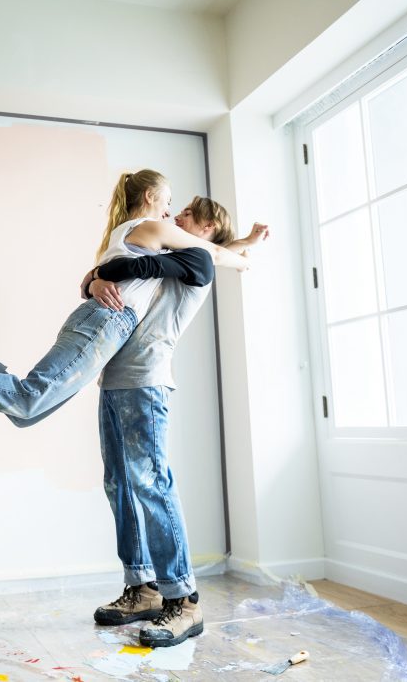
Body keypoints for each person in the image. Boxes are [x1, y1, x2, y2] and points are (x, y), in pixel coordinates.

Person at [0, 170, 251, 418]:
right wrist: (248, 253)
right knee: (29, 400)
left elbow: (208, 255)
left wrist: (92, 279)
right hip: (108, 321)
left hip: (104, 322)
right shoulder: (149, 226)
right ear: (150, 198)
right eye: (168, 202)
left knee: (26, 409)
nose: (169, 212)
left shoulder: (139, 234)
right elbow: (210, 253)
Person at [84, 198, 269, 648]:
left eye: (186, 214)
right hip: (114, 380)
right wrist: (92, 281)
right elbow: (108, 270)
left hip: (146, 382)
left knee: (152, 485)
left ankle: (182, 601)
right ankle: (142, 588)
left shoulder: (195, 260)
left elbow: (129, 266)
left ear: (205, 227)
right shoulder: (176, 253)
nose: (175, 217)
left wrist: (97, 277)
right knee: (120, 484)